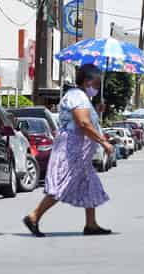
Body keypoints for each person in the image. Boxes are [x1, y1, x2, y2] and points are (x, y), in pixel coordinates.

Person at [23, 64, 114, 237]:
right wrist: (103, 142)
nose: (97, 88)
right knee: (62, 184)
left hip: (80, 153)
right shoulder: (77, 96)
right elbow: (83, 123)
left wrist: (97, 110)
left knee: (90, 184)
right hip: (71, 150)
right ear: (87, 81)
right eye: (95, 84)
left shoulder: (82, 97)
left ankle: (91, 224)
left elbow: (87, 119)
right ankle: (34, 216)